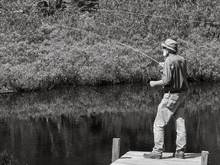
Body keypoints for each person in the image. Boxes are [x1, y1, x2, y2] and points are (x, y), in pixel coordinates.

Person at [144, 38, 189, 159]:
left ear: (168, 50)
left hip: (171, 95)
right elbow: (180, 75)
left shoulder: (169, 60)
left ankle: (157, 152)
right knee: (180, 123)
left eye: (163, 48)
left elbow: (167, 81)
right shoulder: (182, 59)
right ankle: (180, 152)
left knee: (158, 124)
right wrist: (165, 67)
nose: (162, 49)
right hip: (182, 95)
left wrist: (154, 83)